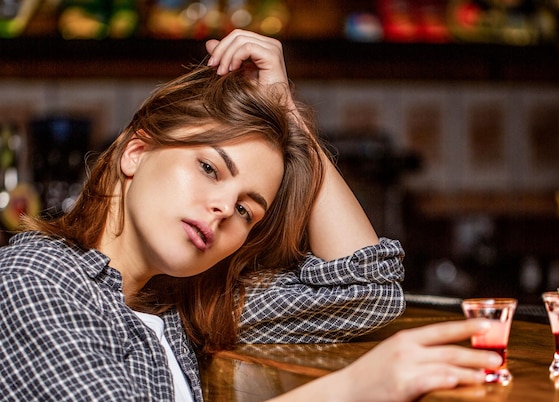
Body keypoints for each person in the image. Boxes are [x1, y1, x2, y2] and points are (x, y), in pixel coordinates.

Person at [0, 30, 501, 401]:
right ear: (136, 152)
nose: (223, 209)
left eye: (246, 209)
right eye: (209, 167)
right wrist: (351, 391)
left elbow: (364, 292)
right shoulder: (35, 278)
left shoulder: (183, 305)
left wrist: (289, 116)